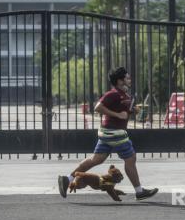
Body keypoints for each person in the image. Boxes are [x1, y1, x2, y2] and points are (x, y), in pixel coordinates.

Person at [58, 67, 158, 200]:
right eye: (127, 78)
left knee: (96, 159)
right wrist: (117, 114)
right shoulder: (113, 93)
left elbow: (123, 110)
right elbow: (97, 107)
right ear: (119, 81)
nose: (130, 80)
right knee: (130, 158)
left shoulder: (124, 95)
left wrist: (132, 110)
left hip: (107, 133)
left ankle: (67, 179)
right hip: (115, 133)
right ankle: (139, 191)